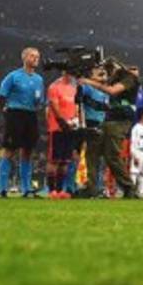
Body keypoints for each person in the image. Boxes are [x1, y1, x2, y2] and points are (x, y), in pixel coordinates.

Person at [78, 62, 140, 199]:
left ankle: (129, 187)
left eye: (108, 71)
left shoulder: (129, 78)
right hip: (107, 119)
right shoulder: (114, 79)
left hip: (120, 121)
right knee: (92, 151)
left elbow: (112, 91)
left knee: (112, 155)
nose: (106, 75)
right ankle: (91, 188)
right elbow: (103, 86)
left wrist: (88, 81)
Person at [0, 47, 46, 198]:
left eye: (37, 56)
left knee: (28, 152)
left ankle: (26, 188)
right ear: (24, 58)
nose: (36, 59)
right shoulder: (13, 76)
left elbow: (40, 100)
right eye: (32, 56)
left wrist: (39, 105)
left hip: (31, 114)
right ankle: (3, 188)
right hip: (15, 114)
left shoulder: (39, 79)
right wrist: (5, 113)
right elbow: (2, 96)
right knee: (9, 150)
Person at [45, 70, 81, 199]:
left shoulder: (73, 89)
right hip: (57, 128)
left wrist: (75, 121)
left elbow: (76, 107)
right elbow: (54, 107)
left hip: (70, 129)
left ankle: (60, 190)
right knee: (54, 160)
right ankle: (51, 190)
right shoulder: (54, 87)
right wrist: (63, 123)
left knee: (65, 161)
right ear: (63, 72)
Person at [78, 64, 110, 198]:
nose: (103, 76)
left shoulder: (106, 91)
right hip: (90, 124)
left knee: (100, 159)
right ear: (91, 76)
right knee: (91, 158)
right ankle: (90, 187)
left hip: (102, 124)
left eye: (104, 74)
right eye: (99, 74)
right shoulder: (87, 88)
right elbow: (78, 96)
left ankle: (99, 187)